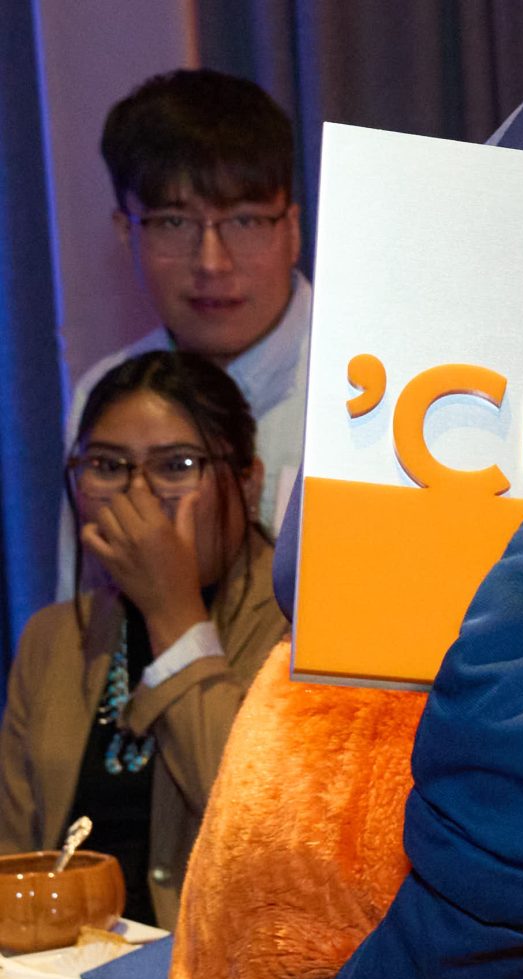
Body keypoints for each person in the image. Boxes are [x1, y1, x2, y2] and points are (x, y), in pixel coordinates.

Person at [1, 350, 289, 923]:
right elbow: (14, 856)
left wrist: (175, 615)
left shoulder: (295, 624)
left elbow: (262, 828)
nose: (138, 496)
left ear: (248, 481)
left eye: (177, 465)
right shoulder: (54, 637)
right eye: (107, 466)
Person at [58, 69, 309, 600]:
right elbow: (83, 625)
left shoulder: (364, 376)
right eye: (174, 223)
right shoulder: (107, 397)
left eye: (243, 221)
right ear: (127, 231)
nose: (212, 264)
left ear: (292, 228)